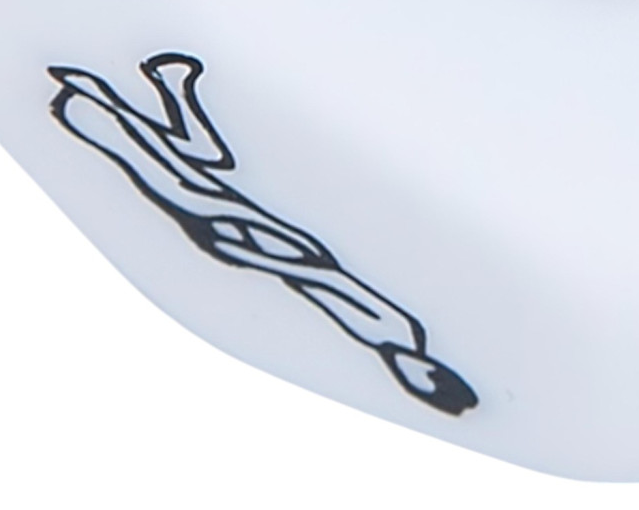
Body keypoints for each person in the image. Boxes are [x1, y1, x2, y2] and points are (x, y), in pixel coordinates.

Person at [50, 53, 477, 415]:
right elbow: (324, 276)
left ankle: (160, 88)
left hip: (273, 247)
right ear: (437, 373)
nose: (413, 379)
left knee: (193, 169)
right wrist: (247, 251)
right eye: (427, 381)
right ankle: (103, 97)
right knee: (178, 177)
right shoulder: (397, 332)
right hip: (273, 244)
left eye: (419, 387)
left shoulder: (387, 345)